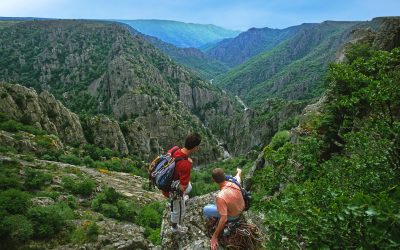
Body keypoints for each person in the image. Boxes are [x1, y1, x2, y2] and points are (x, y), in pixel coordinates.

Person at [163, 133, 201, 234]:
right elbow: (182, 187)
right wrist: (189, 164)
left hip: (166, 181)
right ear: (195, 147)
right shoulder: (186, 164)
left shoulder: (175, 149)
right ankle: (175, 227)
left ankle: (180, 200)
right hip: (170, 190)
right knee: (179, 209)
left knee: (190, 186)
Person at [203, 168, 245, 250]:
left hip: (233, 216)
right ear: (224, 175)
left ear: (214, 180)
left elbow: (224, 218)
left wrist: (214, 236)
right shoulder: (234, 182)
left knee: (206, 209)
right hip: (240, 209)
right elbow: (238, 176)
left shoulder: (221, 197)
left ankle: (224, 222)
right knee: (212, 205)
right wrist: (239, 171)